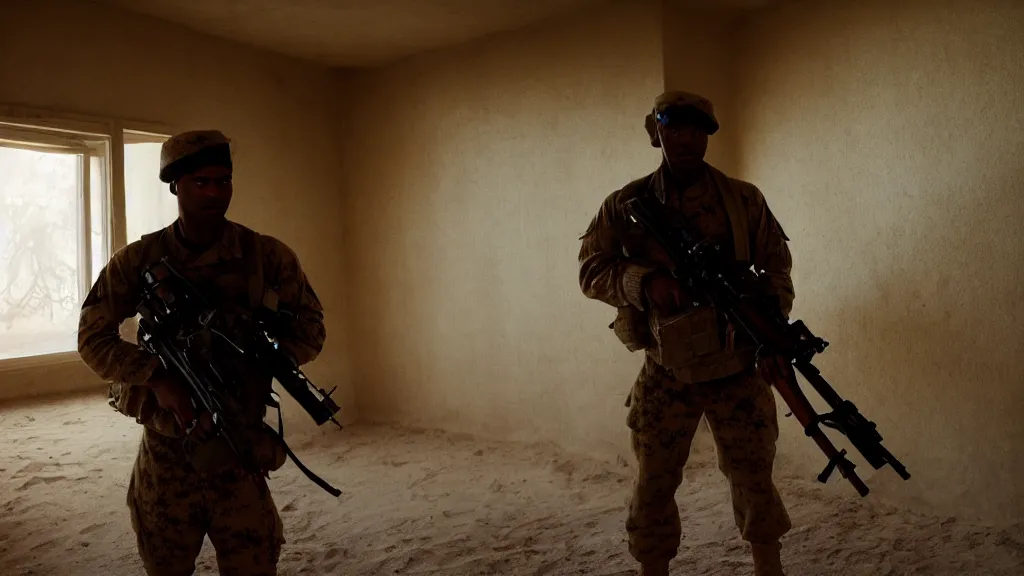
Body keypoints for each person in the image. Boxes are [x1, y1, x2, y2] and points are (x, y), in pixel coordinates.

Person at [77, 130, 327, 576]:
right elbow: (92, 337)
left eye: (223, 180)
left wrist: (258, 357)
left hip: (237, 437)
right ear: (175, 185)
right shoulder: (138, 260)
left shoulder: (266, 256)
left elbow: (311, 327)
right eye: (201, 182)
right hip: (168, 446)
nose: (215, 192)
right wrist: (156, 375)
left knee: (254, 561)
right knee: (165, 563)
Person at [577, 91, 795, 576]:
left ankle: (768, 565)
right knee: (655, 479)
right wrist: (644, 281)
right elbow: (592, 271)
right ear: (656, 132)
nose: (687, 139)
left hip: (736, 363)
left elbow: (778, 270)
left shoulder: (743, 200)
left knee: (754, 474)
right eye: (675, 128)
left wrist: (766, 323)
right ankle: (653, 566)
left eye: (699, 130)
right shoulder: (626, 205)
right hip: (666, 368)